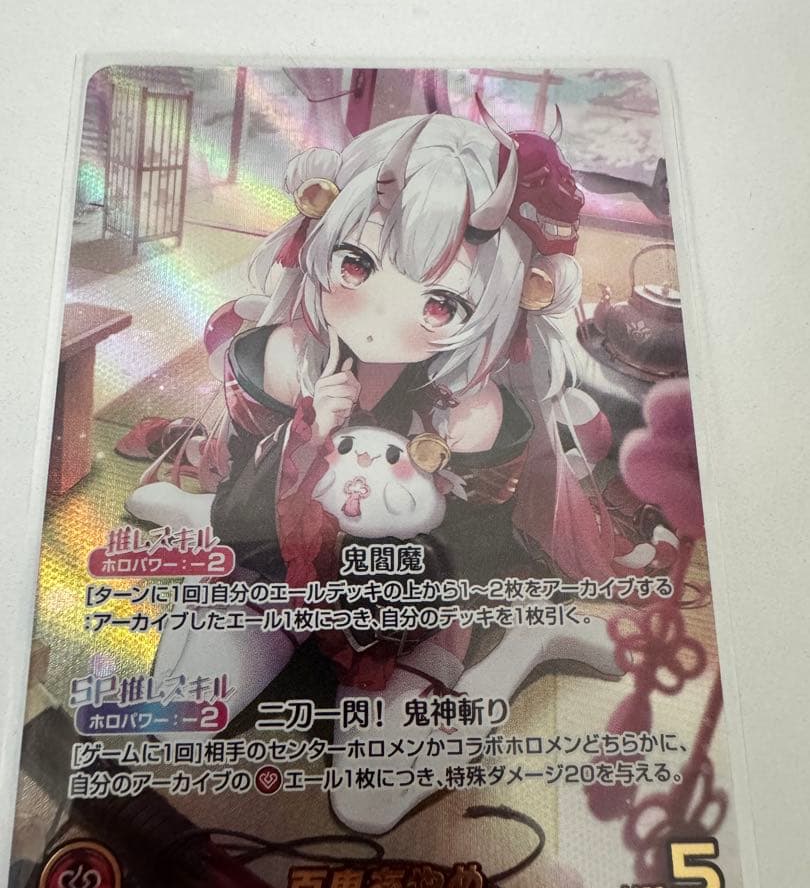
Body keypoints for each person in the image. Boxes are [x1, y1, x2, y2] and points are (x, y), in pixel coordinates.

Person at [131, 110, 628, 834]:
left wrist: (401, 503)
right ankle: (190, 520)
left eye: (442, 302)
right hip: (275, 576)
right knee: (172, 724)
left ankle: (526, 643)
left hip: (403, 615)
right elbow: (242, 518)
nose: (380, 314)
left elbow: (463, 567)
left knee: (366, 802)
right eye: (357, 264)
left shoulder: (472, 413)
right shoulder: (282, 360)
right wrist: (307, 435)